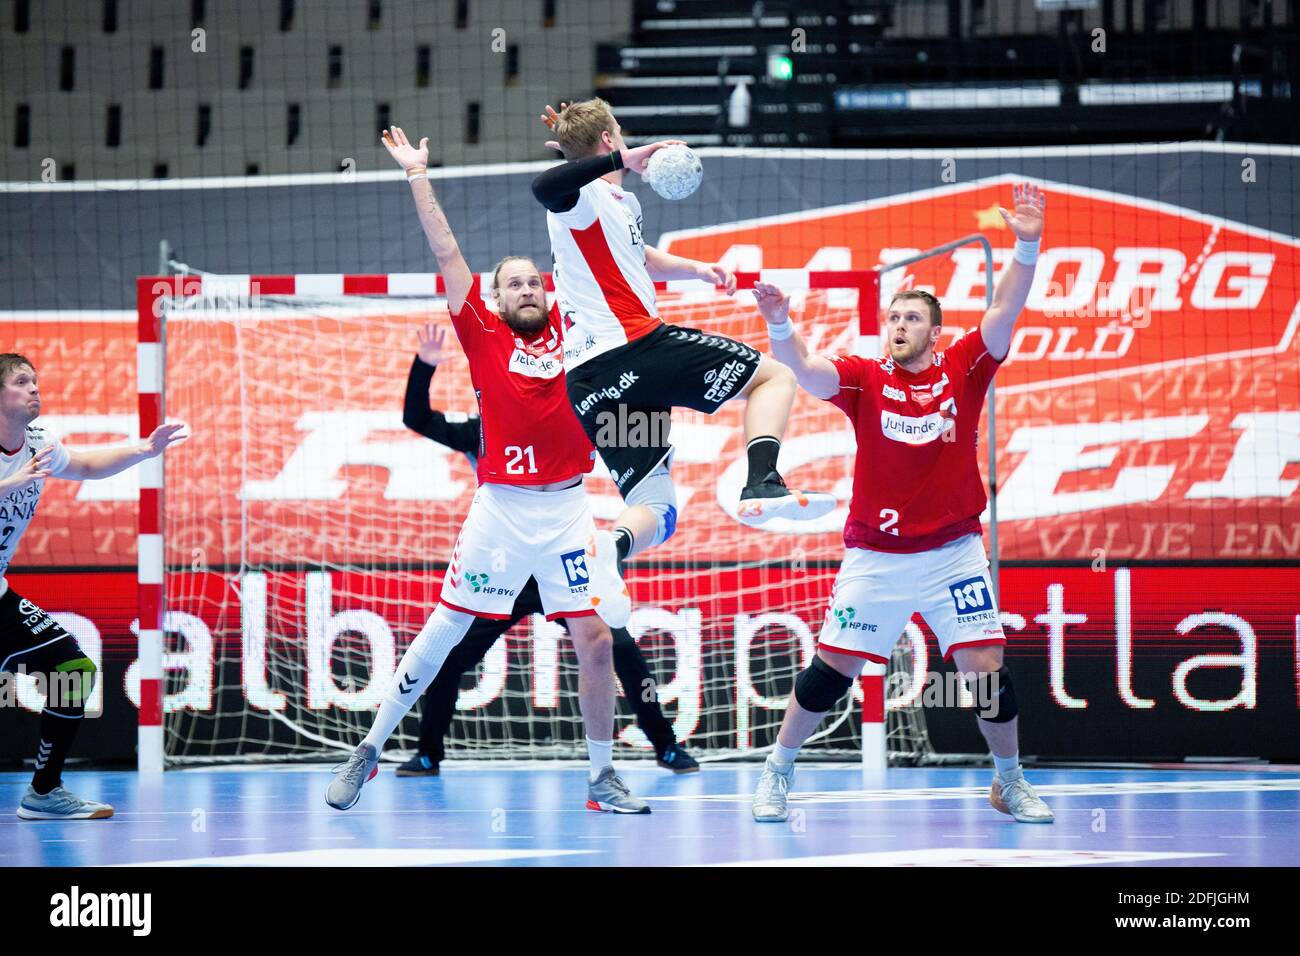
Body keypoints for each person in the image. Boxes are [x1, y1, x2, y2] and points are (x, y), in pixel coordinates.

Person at [326, 126, 647, 814]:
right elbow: (445, 245)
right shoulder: (482, 328)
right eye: (515, 285)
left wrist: (595, 156)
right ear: (497, 299)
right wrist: (416, 172)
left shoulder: (576, 325)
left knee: (596, 639)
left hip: (566, 508)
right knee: (444, 631)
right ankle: (371, 749)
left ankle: (602, 777)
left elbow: (614, 241)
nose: (528, 289)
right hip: (500, 510)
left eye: (535, 281)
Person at [748, 183, 1055, 825]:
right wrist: (780, 321)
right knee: (832, 670)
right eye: (892, 317)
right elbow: (804, 372)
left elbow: (1005, 309)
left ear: (935, 333)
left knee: (985, 666)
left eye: (912, 318)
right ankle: (776, 772)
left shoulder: (966, 365)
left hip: (953, 550)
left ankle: (1009, 780)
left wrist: (1027, 243)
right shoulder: (863, 376)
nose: (899, 326)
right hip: (878, 553)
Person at [530, 99, 835, 581]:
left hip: (595, 386)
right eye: (619, 133)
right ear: (610, 142)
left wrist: (697, 269)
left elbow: (635, 253)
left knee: (658, 507)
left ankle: (608, 551)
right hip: (636, 352)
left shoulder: (614, 203)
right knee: (773, 376)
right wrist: (611, 159)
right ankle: (761, 482)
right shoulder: (580, 196)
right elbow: (543, 186)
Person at [393, 322, 697, 775]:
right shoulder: (481, 429)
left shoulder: (573, 412)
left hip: (563, 562)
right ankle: (426, 752)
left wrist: (656, 400)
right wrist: (425, 366)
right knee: (452, 652)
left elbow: (637, 431)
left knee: (621, 651)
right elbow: (417, 417)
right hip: (508, 573)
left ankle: (667, 746)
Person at [0, 353, 185, 819]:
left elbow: (83, 466)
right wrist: (9, 483)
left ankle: (43, 793)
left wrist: (143, 449)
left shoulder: (38, 442)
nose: (34, 389)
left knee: (73, 668)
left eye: (35, 381)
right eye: (22, 382)